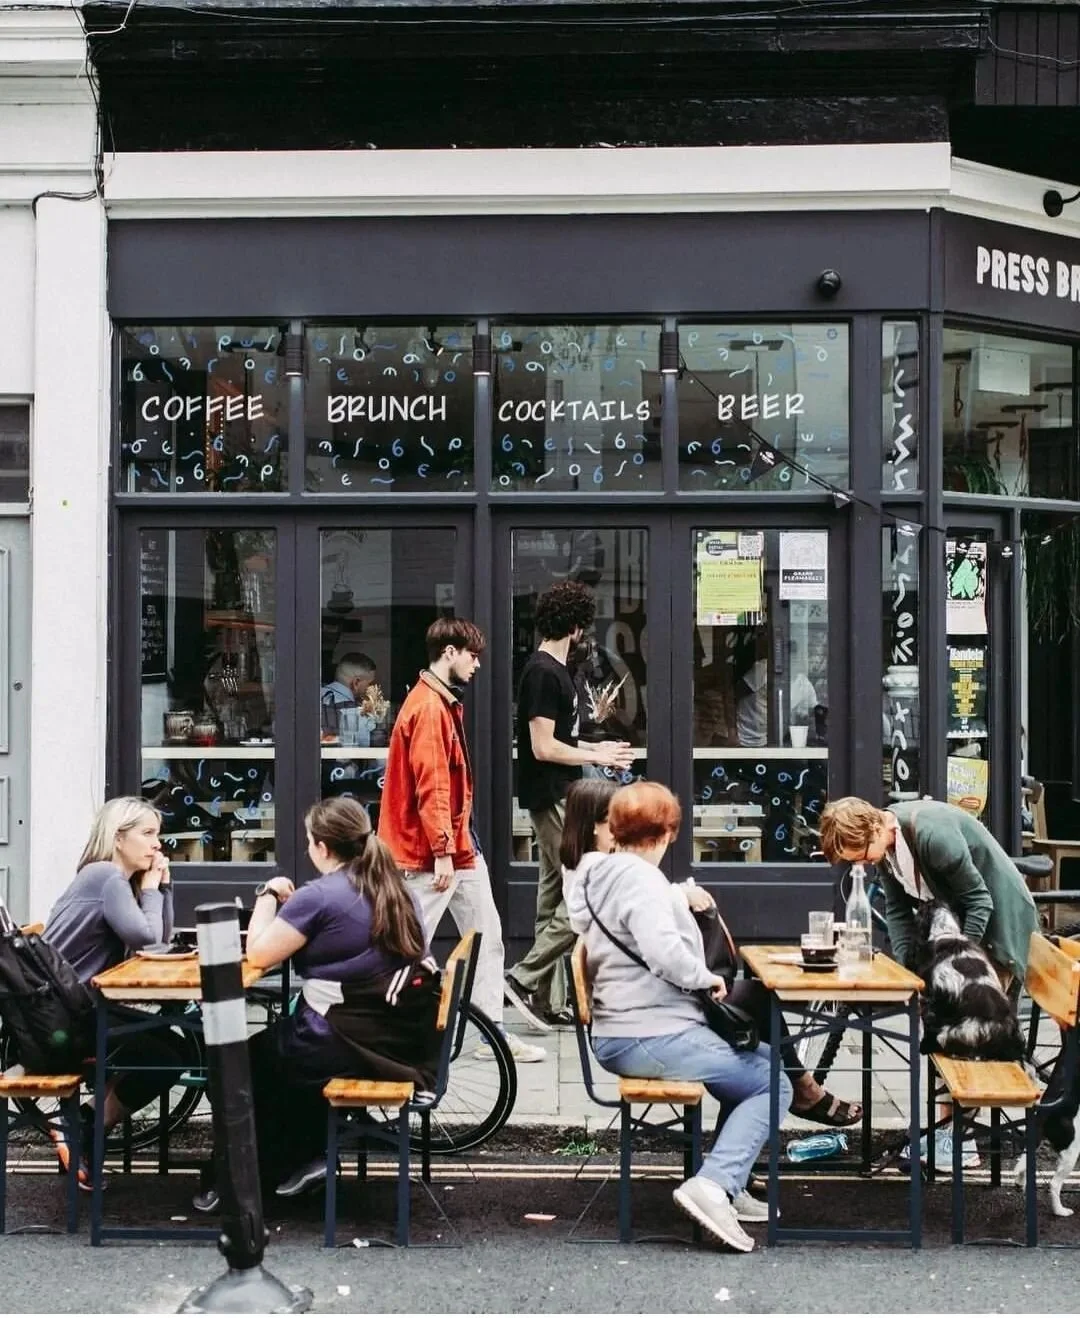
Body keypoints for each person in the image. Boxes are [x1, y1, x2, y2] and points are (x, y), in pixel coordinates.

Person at [566, 780, 792, 1253]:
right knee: (774, 1080)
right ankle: (712, 1186)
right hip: (648, 1031)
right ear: (667, 833)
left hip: (629, 1026)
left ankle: (733, 1183)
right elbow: (663, 952)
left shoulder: (601, 873)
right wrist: (704, 978)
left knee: (756, 1063)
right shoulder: (640, 880)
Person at [561, 781, 860, 1128]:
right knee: (753, 1018)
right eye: (615, 819)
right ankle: (792, 1098)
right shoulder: (612, 873)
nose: (622, 827)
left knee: (753, 1008)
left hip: (647, 1008)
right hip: (651, 1014)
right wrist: (700, 968)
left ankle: (747, 1146)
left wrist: (675, 894)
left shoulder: (602, 870)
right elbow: (661, 949)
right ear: (595, 825)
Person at [196, 797, 442, 1211]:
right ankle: (306, 1157)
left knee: (234, 1061)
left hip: (345, 1039)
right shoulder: (397, 888)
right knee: (275, 1057)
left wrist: (268, 894)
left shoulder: (321, 896)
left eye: (310, 840)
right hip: (397, 1040)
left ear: (323, 848)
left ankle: (239, 1178)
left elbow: (257, 954)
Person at [819, 794, 1039, 1168]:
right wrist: (910, 972)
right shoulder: (886, 851)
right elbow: (898, 913)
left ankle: (960, 1143)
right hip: (960, 940)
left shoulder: (932, 836)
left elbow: (980, 901)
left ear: (873, 827)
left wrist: (957, 964)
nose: (858, 862)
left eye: (857, 852)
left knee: (971, 1036)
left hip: (998, 929)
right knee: (942, 1032)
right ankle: (941, 1132)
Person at [377, 618, 545, 1064]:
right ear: (449, 652)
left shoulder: (437, 702)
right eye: (472, 655)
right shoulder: (430, 708)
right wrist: (442, 852)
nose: (477, 664)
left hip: (454, 847)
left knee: (486, 935)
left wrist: (451, 849)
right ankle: (385, 1030)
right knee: (409, 943)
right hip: (430, 851)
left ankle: (492, 1035)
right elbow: (432, 786)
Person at [505, 581, 636, 1029]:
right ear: (576, 626)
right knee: (585, 890)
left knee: (554, 893)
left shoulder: (555, 670)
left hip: (558, 794)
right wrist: (597, 755)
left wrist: (599, 747)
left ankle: (545, 1000)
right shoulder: (543, 672)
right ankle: (522, 979)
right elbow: (542, 747)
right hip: (553, 795)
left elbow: (560, 738)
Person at [43, 796, 179, 1188]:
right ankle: (82, 1127)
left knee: (177, 1050)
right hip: (64, 1017)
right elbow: (148, 942)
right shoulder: (104, 876)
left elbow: (159, 941)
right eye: (147, 833)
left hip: (79, 1008)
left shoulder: (116, 881)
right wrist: (153, 890)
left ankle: (82, 1125)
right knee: (164, 1057)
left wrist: (162, 890)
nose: (157, 844)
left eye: (159, 834)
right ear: (118, 838)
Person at [321, 653, 377, 737]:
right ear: (356, 682)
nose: (371, 688)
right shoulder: (355, 713)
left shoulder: (312, 695)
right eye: (370, 683)